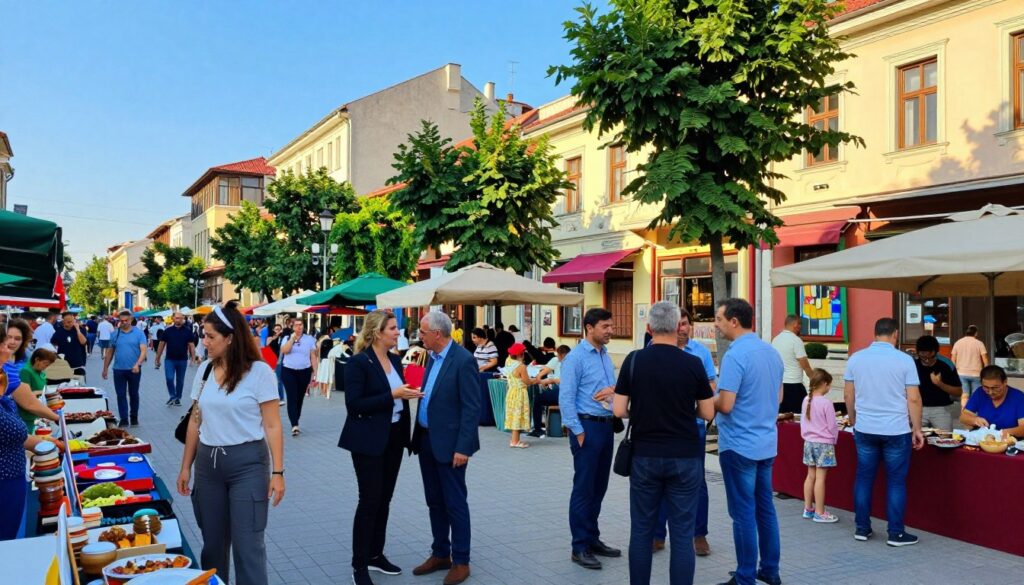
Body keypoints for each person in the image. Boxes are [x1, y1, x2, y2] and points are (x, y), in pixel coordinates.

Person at [176, 302, 285, 585]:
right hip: (207, 466)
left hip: (247, 464)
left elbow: (273, 425)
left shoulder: (260, 373)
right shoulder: (204, 371)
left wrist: (278, 472)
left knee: (248, 547)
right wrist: (185, 467)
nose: (205, 341)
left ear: (230, 338)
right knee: (212, 546)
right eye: (204, 334)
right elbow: (195, 421)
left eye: (211, 336)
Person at [613, 301, 714, 585]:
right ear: (676, 327)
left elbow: (619, 410)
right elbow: (707, 412)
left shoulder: (633, 360)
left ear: (649, 328)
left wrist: (643, 411)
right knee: (682, 535)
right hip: (685, 456)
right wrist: (683, 410)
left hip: (644, 457)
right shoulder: (693, 363)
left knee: (642, 532)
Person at [339, 310, 421, 585]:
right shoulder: (359, 363)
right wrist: (393, 395)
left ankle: (376, 554)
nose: (398, 332)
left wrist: (408, 392)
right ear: (377, 332)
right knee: (369, 500)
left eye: (397, 328)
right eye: (393, 328)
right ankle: (359, 565)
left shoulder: (395, 360)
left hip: (395, 436)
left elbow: (397, 396)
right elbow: (354, 405)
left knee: (384, 499)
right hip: (367, 440)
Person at [713, 298, 784, 585]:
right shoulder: (771, 351)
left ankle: (745, 577)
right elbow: (778, 397)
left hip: (739, 443)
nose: (715, 325)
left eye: (718, 319)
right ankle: (769, 571)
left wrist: (705, 402)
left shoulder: (735, 355)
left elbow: (726, 403)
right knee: (765, 509)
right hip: (766, 441)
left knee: (742, 513)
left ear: (734, 320)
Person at [410, 311, 481, 585]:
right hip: (427, 441)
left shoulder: (463, 361)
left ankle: (461, 560)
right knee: (434, 501)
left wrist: (463, 447)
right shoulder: (432, 357)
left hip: (452, 446)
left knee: (455, 503)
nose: (420, 336)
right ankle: (441, 552)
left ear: (437, 334)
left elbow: (472, 408)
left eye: (423, 332)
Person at [844, 317, 924, 547]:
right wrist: (916, 428)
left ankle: (862, 528)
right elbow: (914, 398)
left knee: (863, 478)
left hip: (865, 428)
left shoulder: (856, 358)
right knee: (896, 482)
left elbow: (849, 394)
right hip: (896, 429)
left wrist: (853, 420)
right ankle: (896, 533)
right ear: (896, 334)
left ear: (875, 333)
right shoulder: (904, 360)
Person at [559, 307, 621, 570]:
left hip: (606, 427)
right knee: (584, 489)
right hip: (587, 427)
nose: (610, 331)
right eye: (605, 326)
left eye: (611, 326)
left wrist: (613, 391)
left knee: (599, 487)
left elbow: (610, 390)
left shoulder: (605, 355)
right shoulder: (575, 358)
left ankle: (592, 538)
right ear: (589, 327)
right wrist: (579, 432)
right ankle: (579, 546)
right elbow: (566, 398)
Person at [654, 308, 718, 556]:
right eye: (678, 324)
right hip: (662, 425)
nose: (682, 329)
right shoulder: (653, 350)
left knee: (697, 480)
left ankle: (698, 534)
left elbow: (712, 383)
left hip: (693, 425)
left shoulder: (699, 352)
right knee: (659, 479)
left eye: (685, 324)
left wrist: (697, 399)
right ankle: (657, 534)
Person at [0, 331, 63, 541]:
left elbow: (16, 433)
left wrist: (47, 443)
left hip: (12, 479)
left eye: (15, 340)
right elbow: (27, 404)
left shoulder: (5, 375)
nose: (7, 347)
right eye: (3, 342)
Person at [3, 320, 59, 428]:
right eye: (8, 337)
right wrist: (57, 418)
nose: (12, 342)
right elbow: (29, 403)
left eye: (17, 338)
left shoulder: (15, 364)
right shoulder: (17, 369)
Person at [800, 369, 839, 524]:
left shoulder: (806, 400)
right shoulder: (826, 403)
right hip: (824, 444)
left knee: (810, 476)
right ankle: (820, 512)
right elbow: (832, 426)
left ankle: (808, 508)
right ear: (824, 384)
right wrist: (834, 440)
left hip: (808, 442)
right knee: (820, 478)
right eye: (829, 385)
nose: (829, 388)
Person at [102, 311, 149, 427]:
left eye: (126, 321)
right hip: (118, 369)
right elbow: (110, 352)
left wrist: (137, 364)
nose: (123, 323)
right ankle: (124, 418)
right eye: (121, 321)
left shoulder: (139, 333)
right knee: (120, 394)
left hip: (134, 369)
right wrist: (105, 368)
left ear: (131, 319)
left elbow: (143, 351)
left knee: (133, 394)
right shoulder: (115, 334)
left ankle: (134, 417)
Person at [959, 365, 1024, 439]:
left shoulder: (1019, 397)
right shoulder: (980, 392)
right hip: (983, 440)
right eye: (986, 387)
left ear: (1005, 382)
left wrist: (1003, 433)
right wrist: (975, 420)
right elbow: (963, 417)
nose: (990, 392)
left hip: (1010, 442)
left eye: (995, 388)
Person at [913, 335, 962, 431]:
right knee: (915, 439)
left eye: (930, 357)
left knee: (945, 439)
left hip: (942, 410)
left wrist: (940, 384)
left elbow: (958, 392)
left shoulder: (946, 365)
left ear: (936, 352)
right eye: (923, 357)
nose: (927, 360)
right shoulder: (912, 365)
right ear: (918, 353)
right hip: (918, 408)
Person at [279, 319, 318, 436]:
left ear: (303, 326)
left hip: (304, 371)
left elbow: (313, 356)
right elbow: (284, 351)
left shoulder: (309, 339)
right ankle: (294, 424)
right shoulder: (286, 338)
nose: (298, 327)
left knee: (300, 398)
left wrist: (315, 373)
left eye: (300, 325)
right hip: (288, 371)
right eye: (296, 325)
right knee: (292, 396)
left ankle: (295, 419)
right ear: (292, 327)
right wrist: (292, 339)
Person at [771, 315, 814, 414]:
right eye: (800, 324)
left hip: (779, 384)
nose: (801, 327)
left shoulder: (775, 340)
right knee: (798, 416)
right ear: (795, 325)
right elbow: (804, 364)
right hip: (794, 385)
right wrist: (814, 378)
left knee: (781, 417)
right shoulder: (796, 340)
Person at [155, 312, 196, 407]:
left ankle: (178, 398)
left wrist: (193, 357)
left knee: (180, 380)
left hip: (182, 360)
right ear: (173, 319)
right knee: (169, 378)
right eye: (177, 318)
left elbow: (191, 345)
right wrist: (157, 357)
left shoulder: (187, 331)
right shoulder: (168, 331)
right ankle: (172, 396)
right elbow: (161, 344)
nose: (179, 320)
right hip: (170, 359)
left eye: (181, 318)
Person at [528, 344, 570, 438]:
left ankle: (537, 429)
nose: (557, 357)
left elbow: (564, 380)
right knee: (541, 395)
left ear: (562, 355)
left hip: (563, 392)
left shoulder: (568, 363)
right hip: (563, 390)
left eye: (558, 355)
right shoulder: (569, 361)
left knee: (538, 399)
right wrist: (541, 380)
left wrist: (548, 380)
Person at [504, 343, 537, 449]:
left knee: (514, 415)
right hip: (520, 393)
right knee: (518, 416)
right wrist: (537, 380)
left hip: (511, 391)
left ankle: (516, 439)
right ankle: (514, 441)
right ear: (521, 354)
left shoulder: (508, 361)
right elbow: (527, 381)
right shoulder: (521, 367)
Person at [18, 348, 57, 430]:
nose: (45, 367)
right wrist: (41, 392)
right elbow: (24, 395)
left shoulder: (39, 371)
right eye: (45, 364)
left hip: (37, 411)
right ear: (37, 360)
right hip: (26, 414)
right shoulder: (25, 371)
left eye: (48, 365)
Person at [951, 325, 989, 408]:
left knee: (965, 395)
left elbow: (953, 359)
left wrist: (954, 372)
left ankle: (964, 412)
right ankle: (973, 414)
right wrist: (986, 371)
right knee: (976, 395)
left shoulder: (958, 342)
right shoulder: (979, 343)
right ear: (976, 333)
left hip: (961, 373)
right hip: (976, 373)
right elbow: (985, 359)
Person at [50, 311, 88, 378]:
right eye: (67, 322)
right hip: (63, 365)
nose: (70, 323)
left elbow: (83, 342)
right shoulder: (59, 331)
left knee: (79, 385)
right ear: (63, 322)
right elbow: (53, 344)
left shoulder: (81, 329)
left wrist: (77, 330)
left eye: (71, 321)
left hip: (78, 364)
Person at [315, 327, 337, 399]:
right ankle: (326, 392)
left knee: (322, 375)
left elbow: (317, 350)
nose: (332, 332)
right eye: (331, 331)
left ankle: (322, 391)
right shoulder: (329, 340)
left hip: (322, 359)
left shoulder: (320, 340)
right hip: (328, 359)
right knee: (327, 376)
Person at [267, 322, 286, 404]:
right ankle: (271, 398)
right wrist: (276, 337)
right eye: (276, 329)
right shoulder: (270, 338)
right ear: (273, 330)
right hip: (270, 360)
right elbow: (267, 346)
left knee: (279, 380)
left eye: (279, 329)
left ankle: (281, 398)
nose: (278, 331)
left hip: (279, 361)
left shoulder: (283, 339)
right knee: (270, 380)